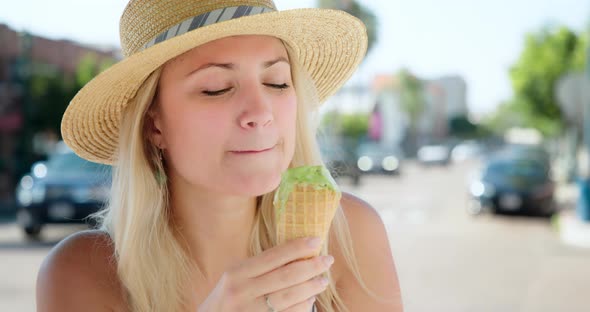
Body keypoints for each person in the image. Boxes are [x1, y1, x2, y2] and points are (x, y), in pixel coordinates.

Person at [36, 0, 403, 311]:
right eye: (216, 88)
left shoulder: (350, 235)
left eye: (277, 82)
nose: (261, 112)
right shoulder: (80, 274)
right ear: (155, 126)